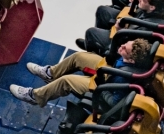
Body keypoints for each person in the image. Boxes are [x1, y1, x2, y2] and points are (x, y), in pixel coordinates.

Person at [8, 38, 152, 107]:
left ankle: (35, 97)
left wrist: (102, 88)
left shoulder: (124, 78)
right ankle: (51, 73)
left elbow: (114, 101)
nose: (121, 46)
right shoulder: (125, 57)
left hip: (101, 85)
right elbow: (117, 54)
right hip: (108, 67)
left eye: (124, 49)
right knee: (79, 57)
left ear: (132, 61)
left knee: (67, 81)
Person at [83, 0, 164, 53]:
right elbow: (140, 10)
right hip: (128, 29)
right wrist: (134, 2)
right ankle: (92, 42)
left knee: (91, 33)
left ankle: (96, 52)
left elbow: (128, 44)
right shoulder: (152, 10)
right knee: (102, 11)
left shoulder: (148, 27)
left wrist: (120, 30)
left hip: (120, 47)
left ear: (152, 7)